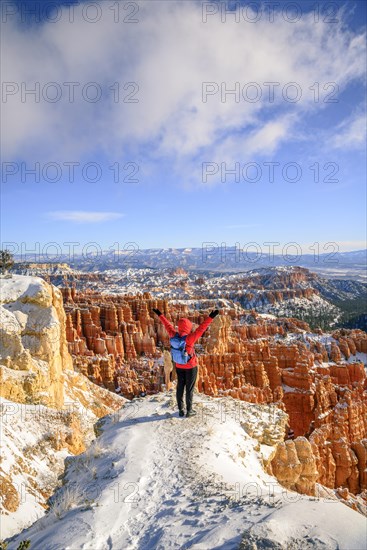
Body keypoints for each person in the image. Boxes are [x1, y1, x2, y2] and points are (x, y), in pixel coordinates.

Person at [153, 308, 219, 417]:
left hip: (179, 366)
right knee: (189, 389)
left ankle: (180, 410)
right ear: (188, 327)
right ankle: (189, 411)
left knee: (180, 387)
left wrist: (160, 314)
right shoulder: (190, 338)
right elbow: (202, 328)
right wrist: (211, 317)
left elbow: (167, 325)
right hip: (191, 367)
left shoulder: (173, 335)